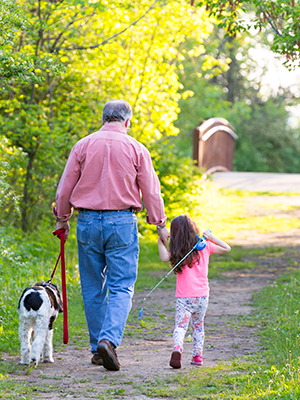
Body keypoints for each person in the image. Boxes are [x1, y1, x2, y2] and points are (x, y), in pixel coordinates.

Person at [53, 99, 169, 371]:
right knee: (121, 286)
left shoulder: (82, 145)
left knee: (93, 286)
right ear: (127, 121)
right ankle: (108, 341)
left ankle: (97, 348)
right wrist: (160, 225)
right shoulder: (137, 148)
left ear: (103, 118)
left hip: (88, 222)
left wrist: (62, 219)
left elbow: (64, 189)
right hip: (122, 222)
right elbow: (151, 191)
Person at [157, 214, 230, 369]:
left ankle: (177, 348)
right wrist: (212, 237)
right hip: (202, 296)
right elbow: (226, 248)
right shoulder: (205, 246)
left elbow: (164, 257)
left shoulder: (177, 250)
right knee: (198, 326)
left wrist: (160, 241)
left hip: (184, 297)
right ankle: (197, 356)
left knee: (181, 326)